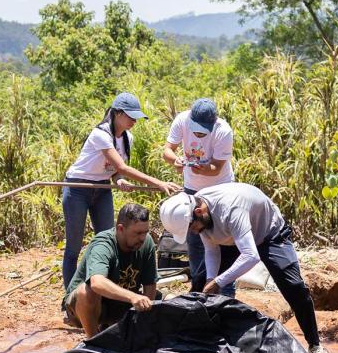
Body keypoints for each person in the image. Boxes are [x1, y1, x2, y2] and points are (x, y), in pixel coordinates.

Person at [159, 184, 338, 353]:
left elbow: (251, 256)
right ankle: (206, 343)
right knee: (200, 286)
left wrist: (218, 281)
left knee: (294, 288)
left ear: (199, 211)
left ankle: (315, 345)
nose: (193, 232)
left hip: (270, 234)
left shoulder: (231, 209)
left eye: (192, 227)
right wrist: (211, 279)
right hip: (232, 239)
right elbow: (212, 250)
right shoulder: (199, 212)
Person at [61, 93, 181, 288]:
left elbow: (117, 171)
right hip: (78, 188)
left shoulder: (127, 138)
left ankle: (105, 290)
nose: (134, 120)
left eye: (136, 116)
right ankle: (70, 298)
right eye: (130, 115)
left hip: (102, 190)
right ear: (117, 113)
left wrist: (120, 180)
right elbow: (122, 167)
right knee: (73, 247)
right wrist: (158, 183)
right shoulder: (100, 134)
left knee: (109, 240)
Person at [161, 97, 235, 297]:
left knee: (223, 239)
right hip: (192, 190)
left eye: (204, 129)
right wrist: (175, 160)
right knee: (194, 239)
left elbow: (216, 167)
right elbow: (167, 150)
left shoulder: (223, 131)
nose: (199, 132)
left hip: (221, 190)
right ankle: (198, 287)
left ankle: (226, 292)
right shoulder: (182, 120)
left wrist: (202, 169)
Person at [63, 203, 158, 337]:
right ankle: (93, 341)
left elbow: (150, 284)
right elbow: (97, 283)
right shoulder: (103, 244)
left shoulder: (146, 243)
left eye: (145, 232)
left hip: (121, 304)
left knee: (165, 300)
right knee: (88, 291)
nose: (142, 238)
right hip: (85, 307)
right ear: (120, 229)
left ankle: (121, 329)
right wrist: (133, 297)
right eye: (137, 233)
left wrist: (144, 319)